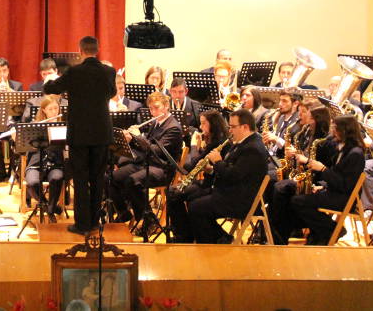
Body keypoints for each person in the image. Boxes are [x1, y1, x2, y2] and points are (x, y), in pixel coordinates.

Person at [44, 36, 116, 235]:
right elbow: (111, 93)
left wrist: (51, 78)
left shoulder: (74, 72)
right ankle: (94, 222)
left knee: (81, 179)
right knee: (98, 178)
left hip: (80, 134)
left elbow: (50, 88)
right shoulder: (109, 71)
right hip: (101, 133)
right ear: (97, 50)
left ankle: (82, 224)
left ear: (80, 51)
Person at [275, 115, 366, 245]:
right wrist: (322, 187)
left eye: (335, 127)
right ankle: (316, 234)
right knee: (297, 196)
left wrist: (322, 169)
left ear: (345, 130)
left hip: (345, 198)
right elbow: (339, 176)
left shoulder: (355, 153)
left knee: (298, 201)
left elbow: (346, 185)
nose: (332, 131)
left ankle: (332, 229)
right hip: (336, 193)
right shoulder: (345, 148)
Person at [184, 109, 269, 244]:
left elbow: (233, 175)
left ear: (245, 127)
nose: (230, 130)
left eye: (233, 127)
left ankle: (213, 243)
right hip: (231, 192)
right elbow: (231, 172)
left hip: (240, 200)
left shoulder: (252, 148)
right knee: (191, 199)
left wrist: (218, 161)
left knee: (196, 208)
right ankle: (219, 239)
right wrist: (211, 170)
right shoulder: (244, 142)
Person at [111, 91, 183, 236]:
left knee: (133, 181)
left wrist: (138, 137)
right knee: (114, 177)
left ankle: (149, 221)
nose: (153, 112)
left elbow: (157, 151)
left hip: (162, 168)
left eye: (157, 107)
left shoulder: (173, 128)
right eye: (151, 108)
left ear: (166, 106)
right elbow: (144, 147)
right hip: (147, 163)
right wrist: (131, 138)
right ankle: (124, 213)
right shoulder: (156, 123)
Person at [268, 103, 332, 244]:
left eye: (305, 113)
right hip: (303, 175)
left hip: (316, 180)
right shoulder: (305, 132)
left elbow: (322, 165)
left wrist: (299, 156)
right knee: (274, 183)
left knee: (280, 188)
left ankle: (280, 234)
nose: (301, 116)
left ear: (317, 120)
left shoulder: (325, 140)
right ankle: (275, 230)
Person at [167, 109, 230, 243]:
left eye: (203, 123)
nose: (200, 127)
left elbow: (191, 165)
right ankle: (188, 233)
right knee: (175, 192)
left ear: (213, 124)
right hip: (208, 181)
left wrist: (194, 146)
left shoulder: (218, 142)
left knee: (175, 194)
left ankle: (184, 235)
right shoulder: (214, 139)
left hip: (213, 185)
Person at [22, 96, 66, 221]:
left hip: (55, 164)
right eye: (50, 109)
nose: (54, 112)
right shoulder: (34, 126)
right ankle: (49, 206)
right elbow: (23, 147)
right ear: (44, 111)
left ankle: (51, 209)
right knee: (32, 183)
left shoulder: (63, 126)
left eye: (56, 108)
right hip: (36, 164)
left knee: (57, 178)